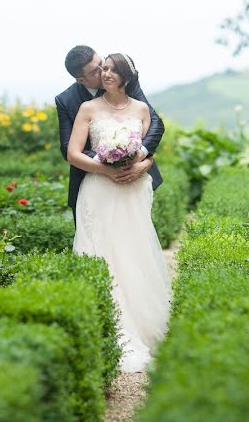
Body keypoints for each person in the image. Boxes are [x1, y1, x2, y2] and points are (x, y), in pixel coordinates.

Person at [66, 52, 172, 373]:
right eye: (103, 69)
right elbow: (72, 153)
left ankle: (142, 326)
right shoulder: (87, 108)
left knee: (133, 252)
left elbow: (149, 147)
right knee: (102, 254)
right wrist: (106, 168)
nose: (105, 73)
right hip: (99, 189)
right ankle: (106, 329)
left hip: (133, 191)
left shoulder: (141, 109)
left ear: (126, 77)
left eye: (112, 70)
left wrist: (140, 165)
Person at [55, 45, 164, 224]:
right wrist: (111, 161)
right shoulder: (67, 100)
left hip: (134, 175)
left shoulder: (124, 81)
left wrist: (143, 158)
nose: (103, 71)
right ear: (81, 79)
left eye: (101, 62)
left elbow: (155, 123)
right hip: (94, 181)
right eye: (96, 70)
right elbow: (68, 148)